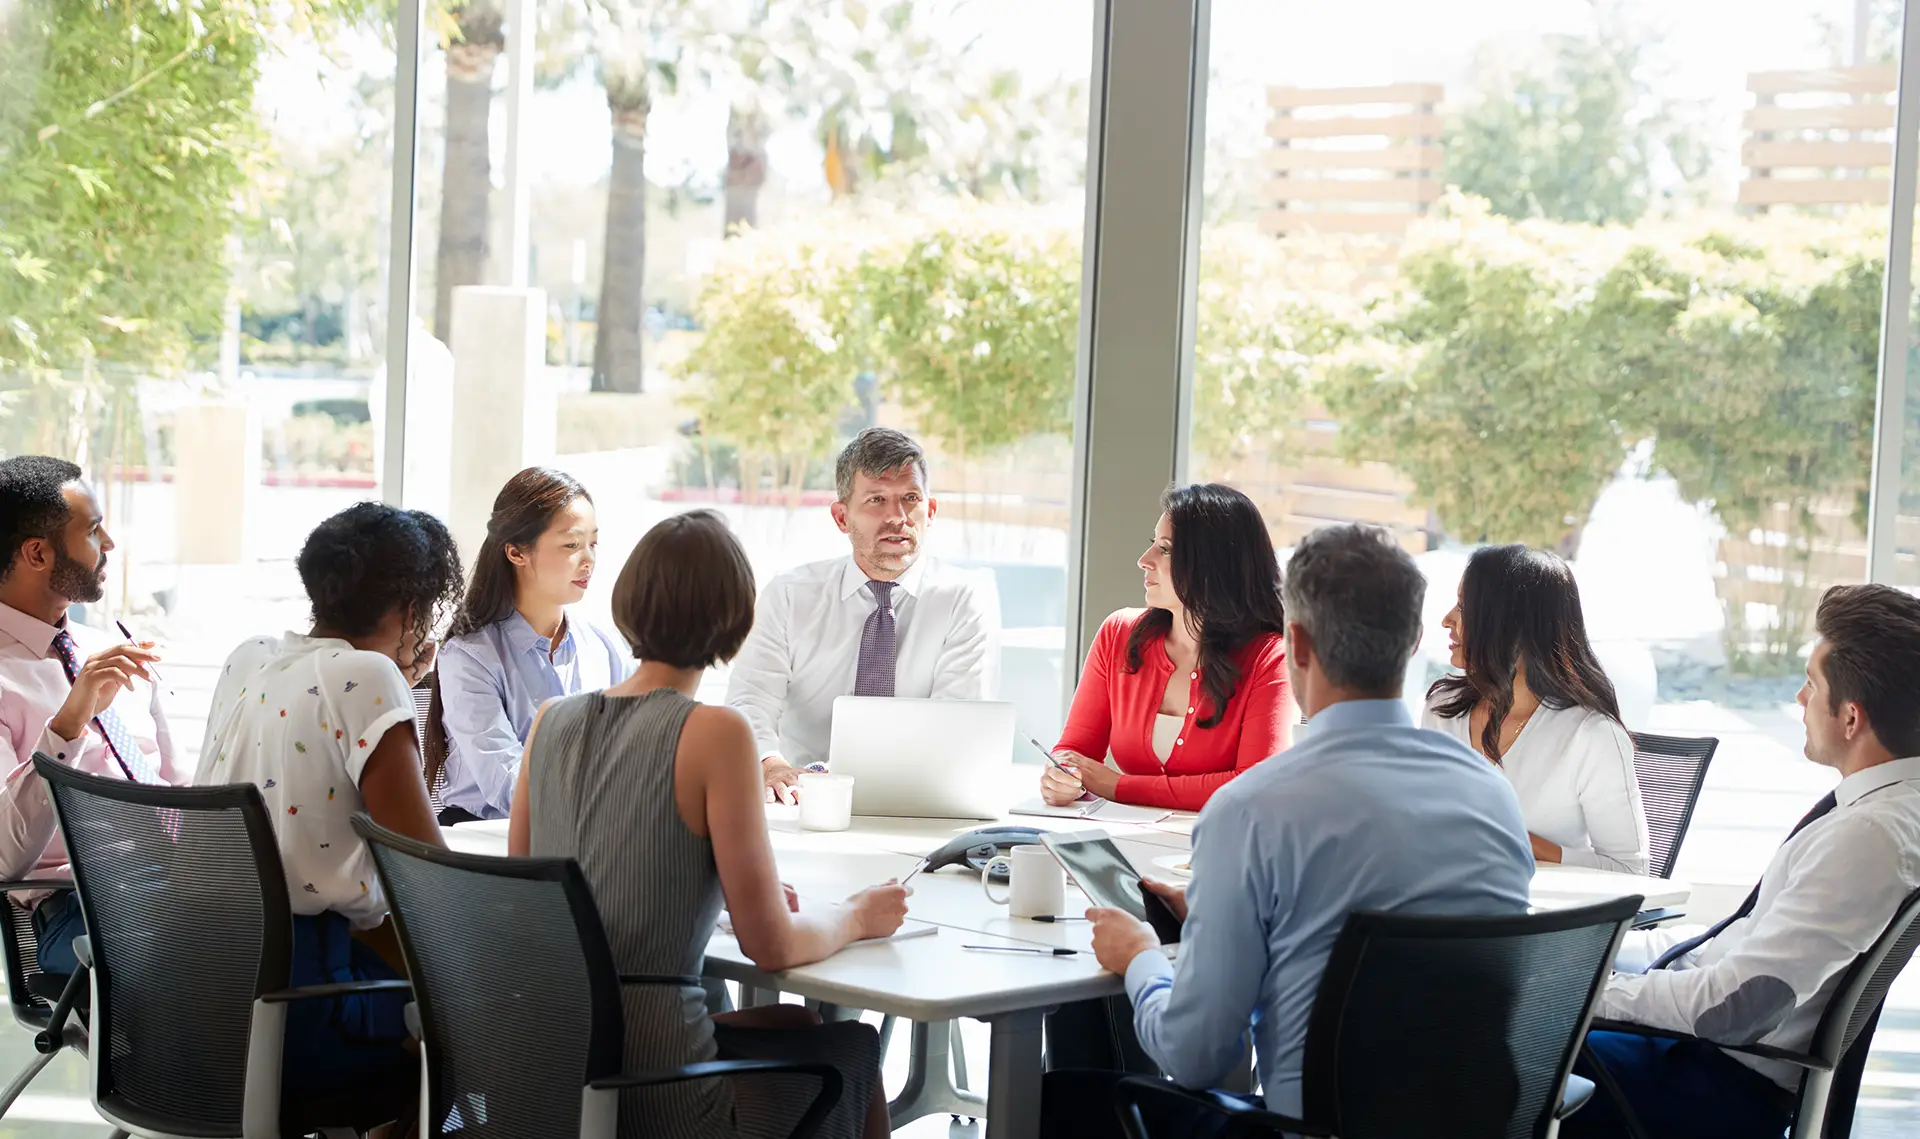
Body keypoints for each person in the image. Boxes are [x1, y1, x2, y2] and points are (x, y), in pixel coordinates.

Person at [1043, 524, 1535, 1139]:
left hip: (1310, 1130)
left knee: (1064, 1095)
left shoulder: (1252, 810)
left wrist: (1141, 958)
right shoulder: (1490, 796)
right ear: (1412, 645)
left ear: (1296, 645)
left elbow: (1195, 1057)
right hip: (1475, 1125)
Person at [510, 510, 908, 1139]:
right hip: (660, 1087)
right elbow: (771, 946)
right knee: (854, 1046)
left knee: (800, 1028)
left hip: (553, 1069)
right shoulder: (717, 732)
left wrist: (717, 893)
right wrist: (860, 915)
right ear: (736, 619)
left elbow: (536, 894)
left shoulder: (549, 720)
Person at [1567, 584, 1920, 1139]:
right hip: (1706, 1062)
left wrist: (1584, 989)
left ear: (1851, 718)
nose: (1800, 700)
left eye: (1812, 684)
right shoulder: (1889, 810)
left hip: (1708, 1083)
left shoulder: (1869, 837)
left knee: (1496, 1038)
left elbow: (1734, 1008)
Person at [196, 502, 460, 1112]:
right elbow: (427, 881)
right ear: (414, 610)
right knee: (509, 1012)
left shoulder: (251, 657)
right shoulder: (368, 676)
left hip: (208, 1001)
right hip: (307, 1012)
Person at [726, 428, 999, 801]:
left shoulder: (963, 600)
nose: (897, 516)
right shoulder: (790, 596)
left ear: (930, 511)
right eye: (876, 500)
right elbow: (750, 701)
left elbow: (958, 726)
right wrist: (769, 765)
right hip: (804, 798)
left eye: (910, 498)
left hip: (919, 798)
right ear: (841, 517)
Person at [0, 456, 183, 977]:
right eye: (94, 529)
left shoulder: (111, 650)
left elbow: (178, 785)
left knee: (309, 928)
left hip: (178, 882)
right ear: (37, 552)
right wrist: (66, 727)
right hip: (81, 906)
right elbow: (2, 857)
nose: (110, 545)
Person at [1039, 483, 1293, 813]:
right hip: (1128, 839)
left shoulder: (1270, 658)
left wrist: (1118, 786)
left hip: (1218, 851)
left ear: (1213, 564)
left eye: (1167, 549)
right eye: (1153, 545)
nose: (1145, 560)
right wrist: (1063, 776)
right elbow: (1075, 752)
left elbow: (1255, 785)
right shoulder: (1118, 633)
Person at [1423, 545, 1651, 874]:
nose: (1447, 619)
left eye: (1464, 606)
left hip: (1535, 918)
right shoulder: (1442, 710)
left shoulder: (1590, 736)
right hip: (1437, 904)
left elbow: (1631, 872)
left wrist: (1524, 843)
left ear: (1510, 625)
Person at [427, 467, 629, 824]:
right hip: (486, 842)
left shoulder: (603, 648)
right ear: (517, 553)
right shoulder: (470, 656)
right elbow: (508, 784)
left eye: (592, 544)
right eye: (571, 545)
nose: (589, 560)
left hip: (584, 835)